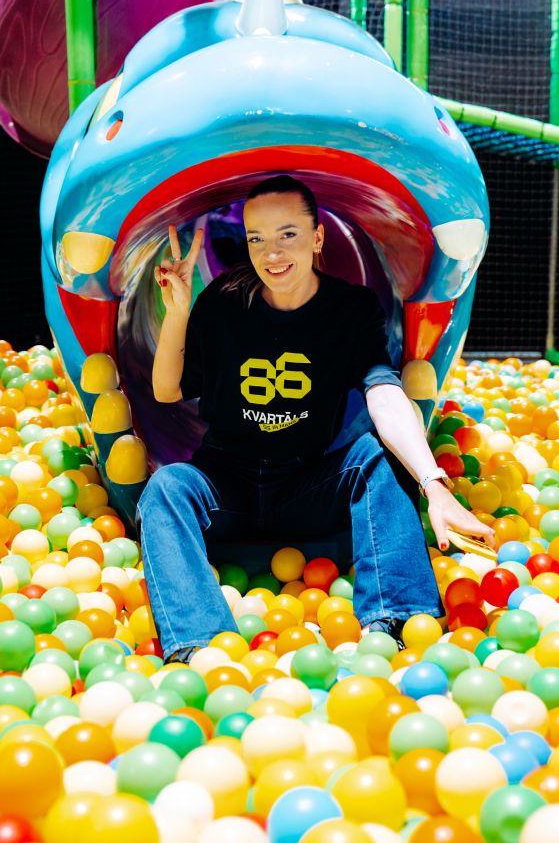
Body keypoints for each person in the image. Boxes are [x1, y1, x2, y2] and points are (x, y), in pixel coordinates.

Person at [138, 175, 494, 663]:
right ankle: (201, 649)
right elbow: (167, 390)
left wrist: (433, 485)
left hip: (306, 484)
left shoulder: (349, 308)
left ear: (318, 237)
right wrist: (177, 311)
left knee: (376, 454)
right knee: (167, 487)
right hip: (226, 488)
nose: (272, 253)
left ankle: (399, 625)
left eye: (288, 234)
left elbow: (384, 394)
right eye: (257, 239)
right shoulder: (223, 302)